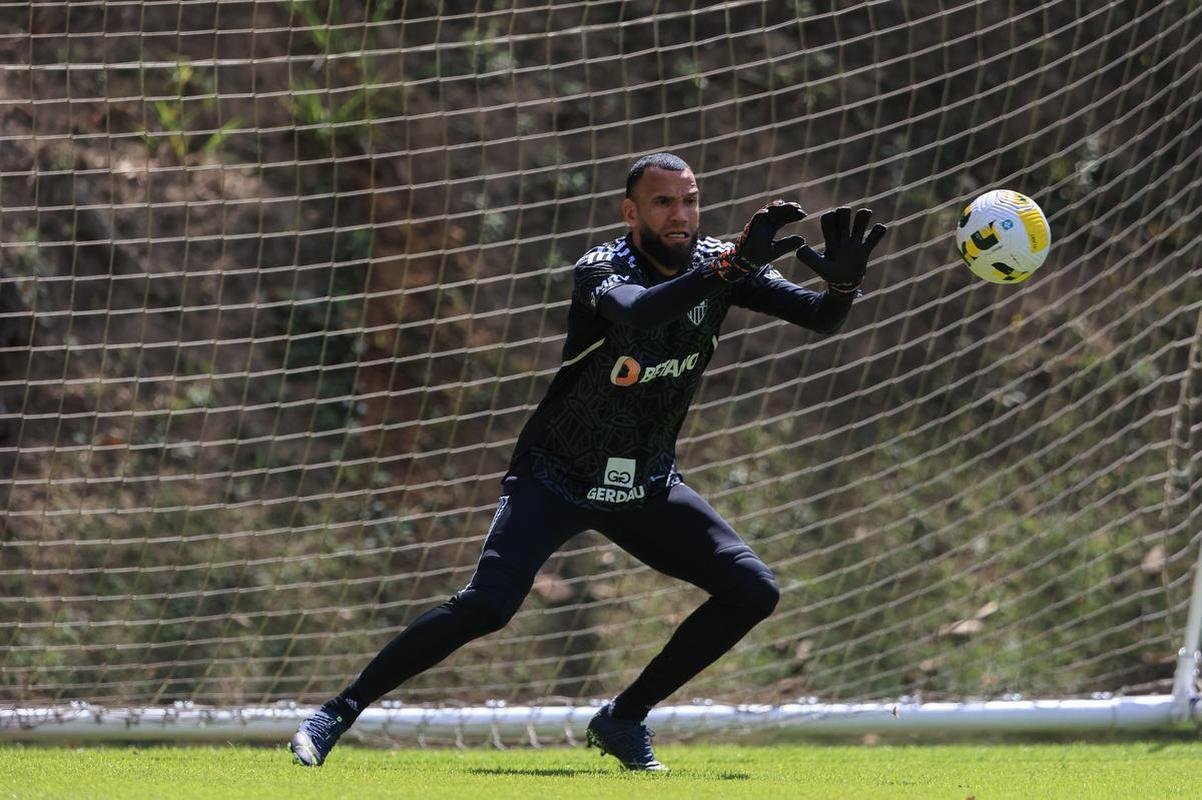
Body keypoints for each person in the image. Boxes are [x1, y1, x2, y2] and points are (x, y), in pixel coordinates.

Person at [289, 152, 887, 770]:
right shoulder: (603, 267)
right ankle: (338, 711)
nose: (680, 215)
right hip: (556, 475)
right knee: (489, 606)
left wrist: (841, 285)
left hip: (643, 483)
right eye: (663, 202)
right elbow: (639, 311)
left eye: (690, 200)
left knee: (752, 590)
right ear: (632, 212)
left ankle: (623, 718)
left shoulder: (719, 264)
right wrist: (734, 262)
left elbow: (820, 319)